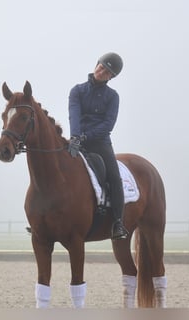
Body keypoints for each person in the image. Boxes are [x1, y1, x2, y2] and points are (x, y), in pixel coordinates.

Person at [67, 52, 128, 240]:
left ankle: (118, 222)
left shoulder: (113, 97)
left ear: (111, 77)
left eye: (107, 71)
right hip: (77, 140)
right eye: (101, 67)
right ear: (96, 65)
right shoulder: (77, 91)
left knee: (114, 177)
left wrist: (86, 137)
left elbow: (107, 125)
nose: (102, 71)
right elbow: (74, 116)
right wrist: (75, 137)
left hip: (100, 142)